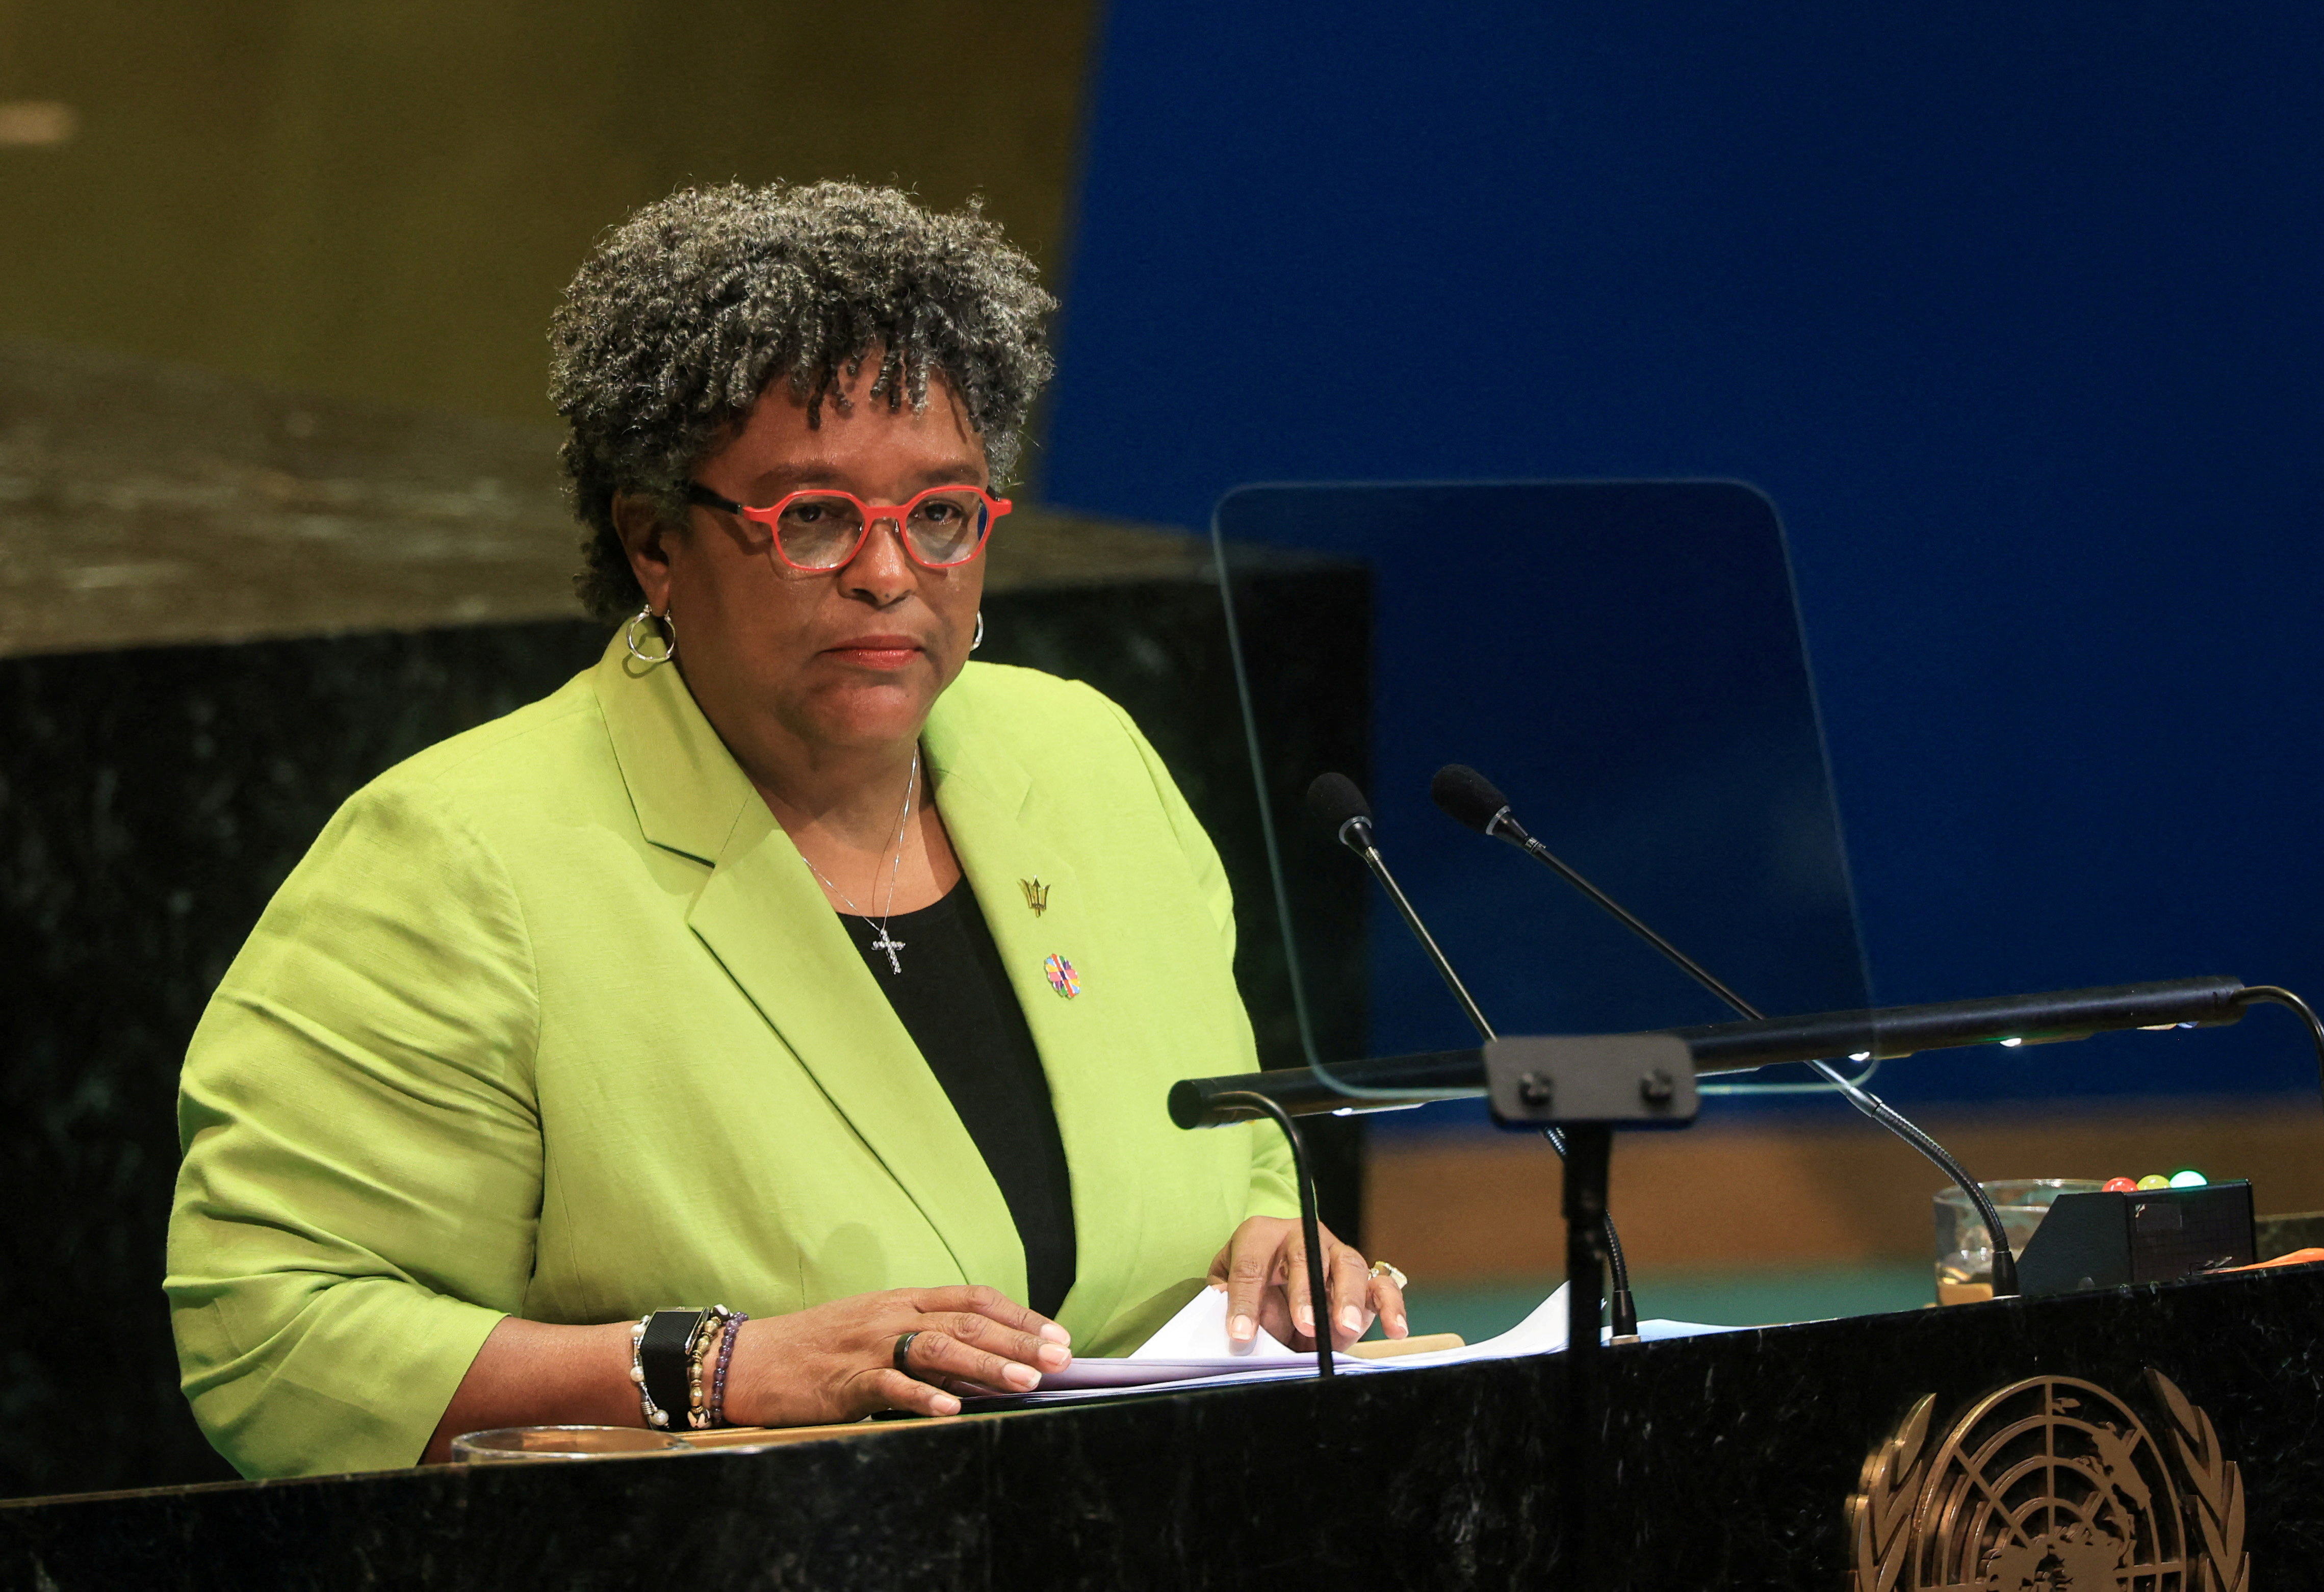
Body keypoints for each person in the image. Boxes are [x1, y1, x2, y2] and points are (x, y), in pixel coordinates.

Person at [164, 181, 1406, 1480]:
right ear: (653, 541)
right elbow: (274, 1330)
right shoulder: (459, 859)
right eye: (814, 518)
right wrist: (715, 1369)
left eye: (939, 514)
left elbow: (1238, 1158)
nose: (889, 572)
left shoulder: (1086, 763)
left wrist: (1277, 1249)